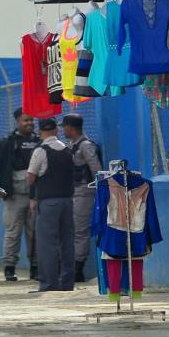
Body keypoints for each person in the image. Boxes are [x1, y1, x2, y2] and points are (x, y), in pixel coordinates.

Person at [0, 108, 40, 282]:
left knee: (34, 233)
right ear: (17, 122)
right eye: (25, 120)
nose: (29, 123)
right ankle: (9, 268)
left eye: (31, 120)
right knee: (13, 233)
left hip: (35, 196)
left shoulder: (39, 141)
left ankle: (36, 268)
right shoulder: (7, 142)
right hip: (14, 196)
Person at [27, 118, 76, 292]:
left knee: (47, 243)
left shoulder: (40, 151)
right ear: (56, 130)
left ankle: (49, 283)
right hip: (68, 201)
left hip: (48, 202)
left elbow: (31, 177)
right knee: (67, 242)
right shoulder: (67, 149)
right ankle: (67, 283)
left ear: (41, 131)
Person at [62, 114, 102, 283]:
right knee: (73, 230)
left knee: (80, 230)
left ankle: (79, 267)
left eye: (64, 127)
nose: (63, 130)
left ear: (71, 128)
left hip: (85, 192)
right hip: (74, 192)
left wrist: (100, 191)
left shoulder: (85, 146)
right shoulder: (72, 145)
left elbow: (96, 169)